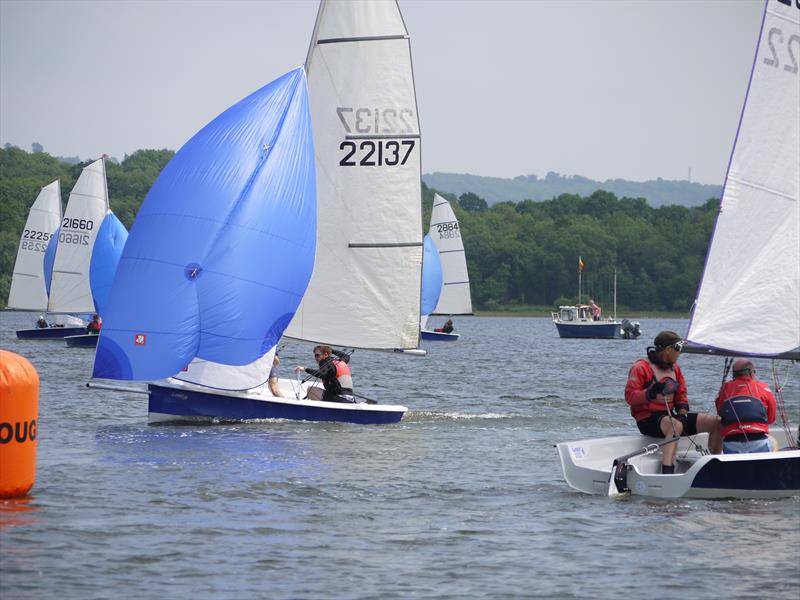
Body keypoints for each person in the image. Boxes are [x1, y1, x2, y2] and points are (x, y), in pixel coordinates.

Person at [624, 330, 722, 473]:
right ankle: (668, 471)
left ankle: (715, 466)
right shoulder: (640, 368)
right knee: (675, 426)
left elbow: (681, 395)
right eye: (678, 348)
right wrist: (650, 392)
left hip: (671, 418)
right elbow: (630, 397)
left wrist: (682, 411)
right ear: (668, 350)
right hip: (648, 419)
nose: (680, 353)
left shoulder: (675, 369)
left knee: (717, 422)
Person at [715, 358, 777, 454]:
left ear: (734, 374)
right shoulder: (764, 387)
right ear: (751, 372)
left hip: (731, 443)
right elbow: (771, 419)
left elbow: (720, 413)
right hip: (759, 442)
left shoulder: (725, 388)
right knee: (774, 442)